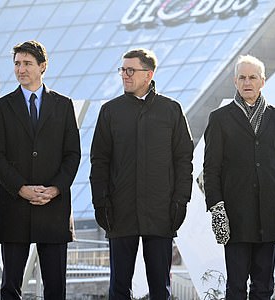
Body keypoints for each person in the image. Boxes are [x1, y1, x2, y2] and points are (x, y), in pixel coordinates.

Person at [89, 48, 193, 299]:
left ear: (149, 74)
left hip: (161, 213)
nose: (124, 75)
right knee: (119, 288)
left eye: (130, 70)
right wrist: (100, 202)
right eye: (122, 70)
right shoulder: (110, 111)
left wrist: (181, 201)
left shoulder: (171, 110)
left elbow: (184, 160)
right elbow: (99, 161)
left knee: (160, 288)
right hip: (119, 212)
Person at [0, 40, 81, 299]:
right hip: (14, 206)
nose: (21, 69)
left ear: (42, 66)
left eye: (27, 63)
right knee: (10, 286)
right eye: (17, 63)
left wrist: (54, 189)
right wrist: (21, 189)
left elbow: (72, 154)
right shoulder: (2, 107)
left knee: (55, 286)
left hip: (53, 208)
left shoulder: (63, 105)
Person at [203, 54, 275, 299]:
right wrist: (217, 209)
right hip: (235, 216)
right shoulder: (220, 118)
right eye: (242, 77)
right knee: (235, 286)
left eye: (252, 77)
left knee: (264, 286)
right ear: (235, 81)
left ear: (262, 81)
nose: (247, 82)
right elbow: (210, 169)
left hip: (270, 213)